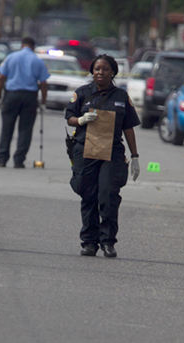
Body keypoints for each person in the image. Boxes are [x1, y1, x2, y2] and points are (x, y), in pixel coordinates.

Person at [65, 54, 140, 258]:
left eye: (105, 69)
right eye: (97, 68)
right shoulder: (82, 93)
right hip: (85, 149)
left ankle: (108, 241)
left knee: (107, 195)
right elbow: (69, 117)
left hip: (111, 152)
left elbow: (129, 128)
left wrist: (135, 156)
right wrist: (80, 120)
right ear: (92, 71)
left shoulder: (121, 97)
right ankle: (89, 242)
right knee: (87, 195)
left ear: (113, 72)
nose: (100, 72)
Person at [0, 37, 50, 168]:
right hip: (29, 97)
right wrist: (43, 102)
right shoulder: (37, 60)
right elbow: (43, 83)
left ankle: (2, 158)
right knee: (25, 129)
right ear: (33, 47)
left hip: (11, 95)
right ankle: (19, 160)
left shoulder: (11, 57)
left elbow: (1, 77)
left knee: (7, 128)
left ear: (22, 45)